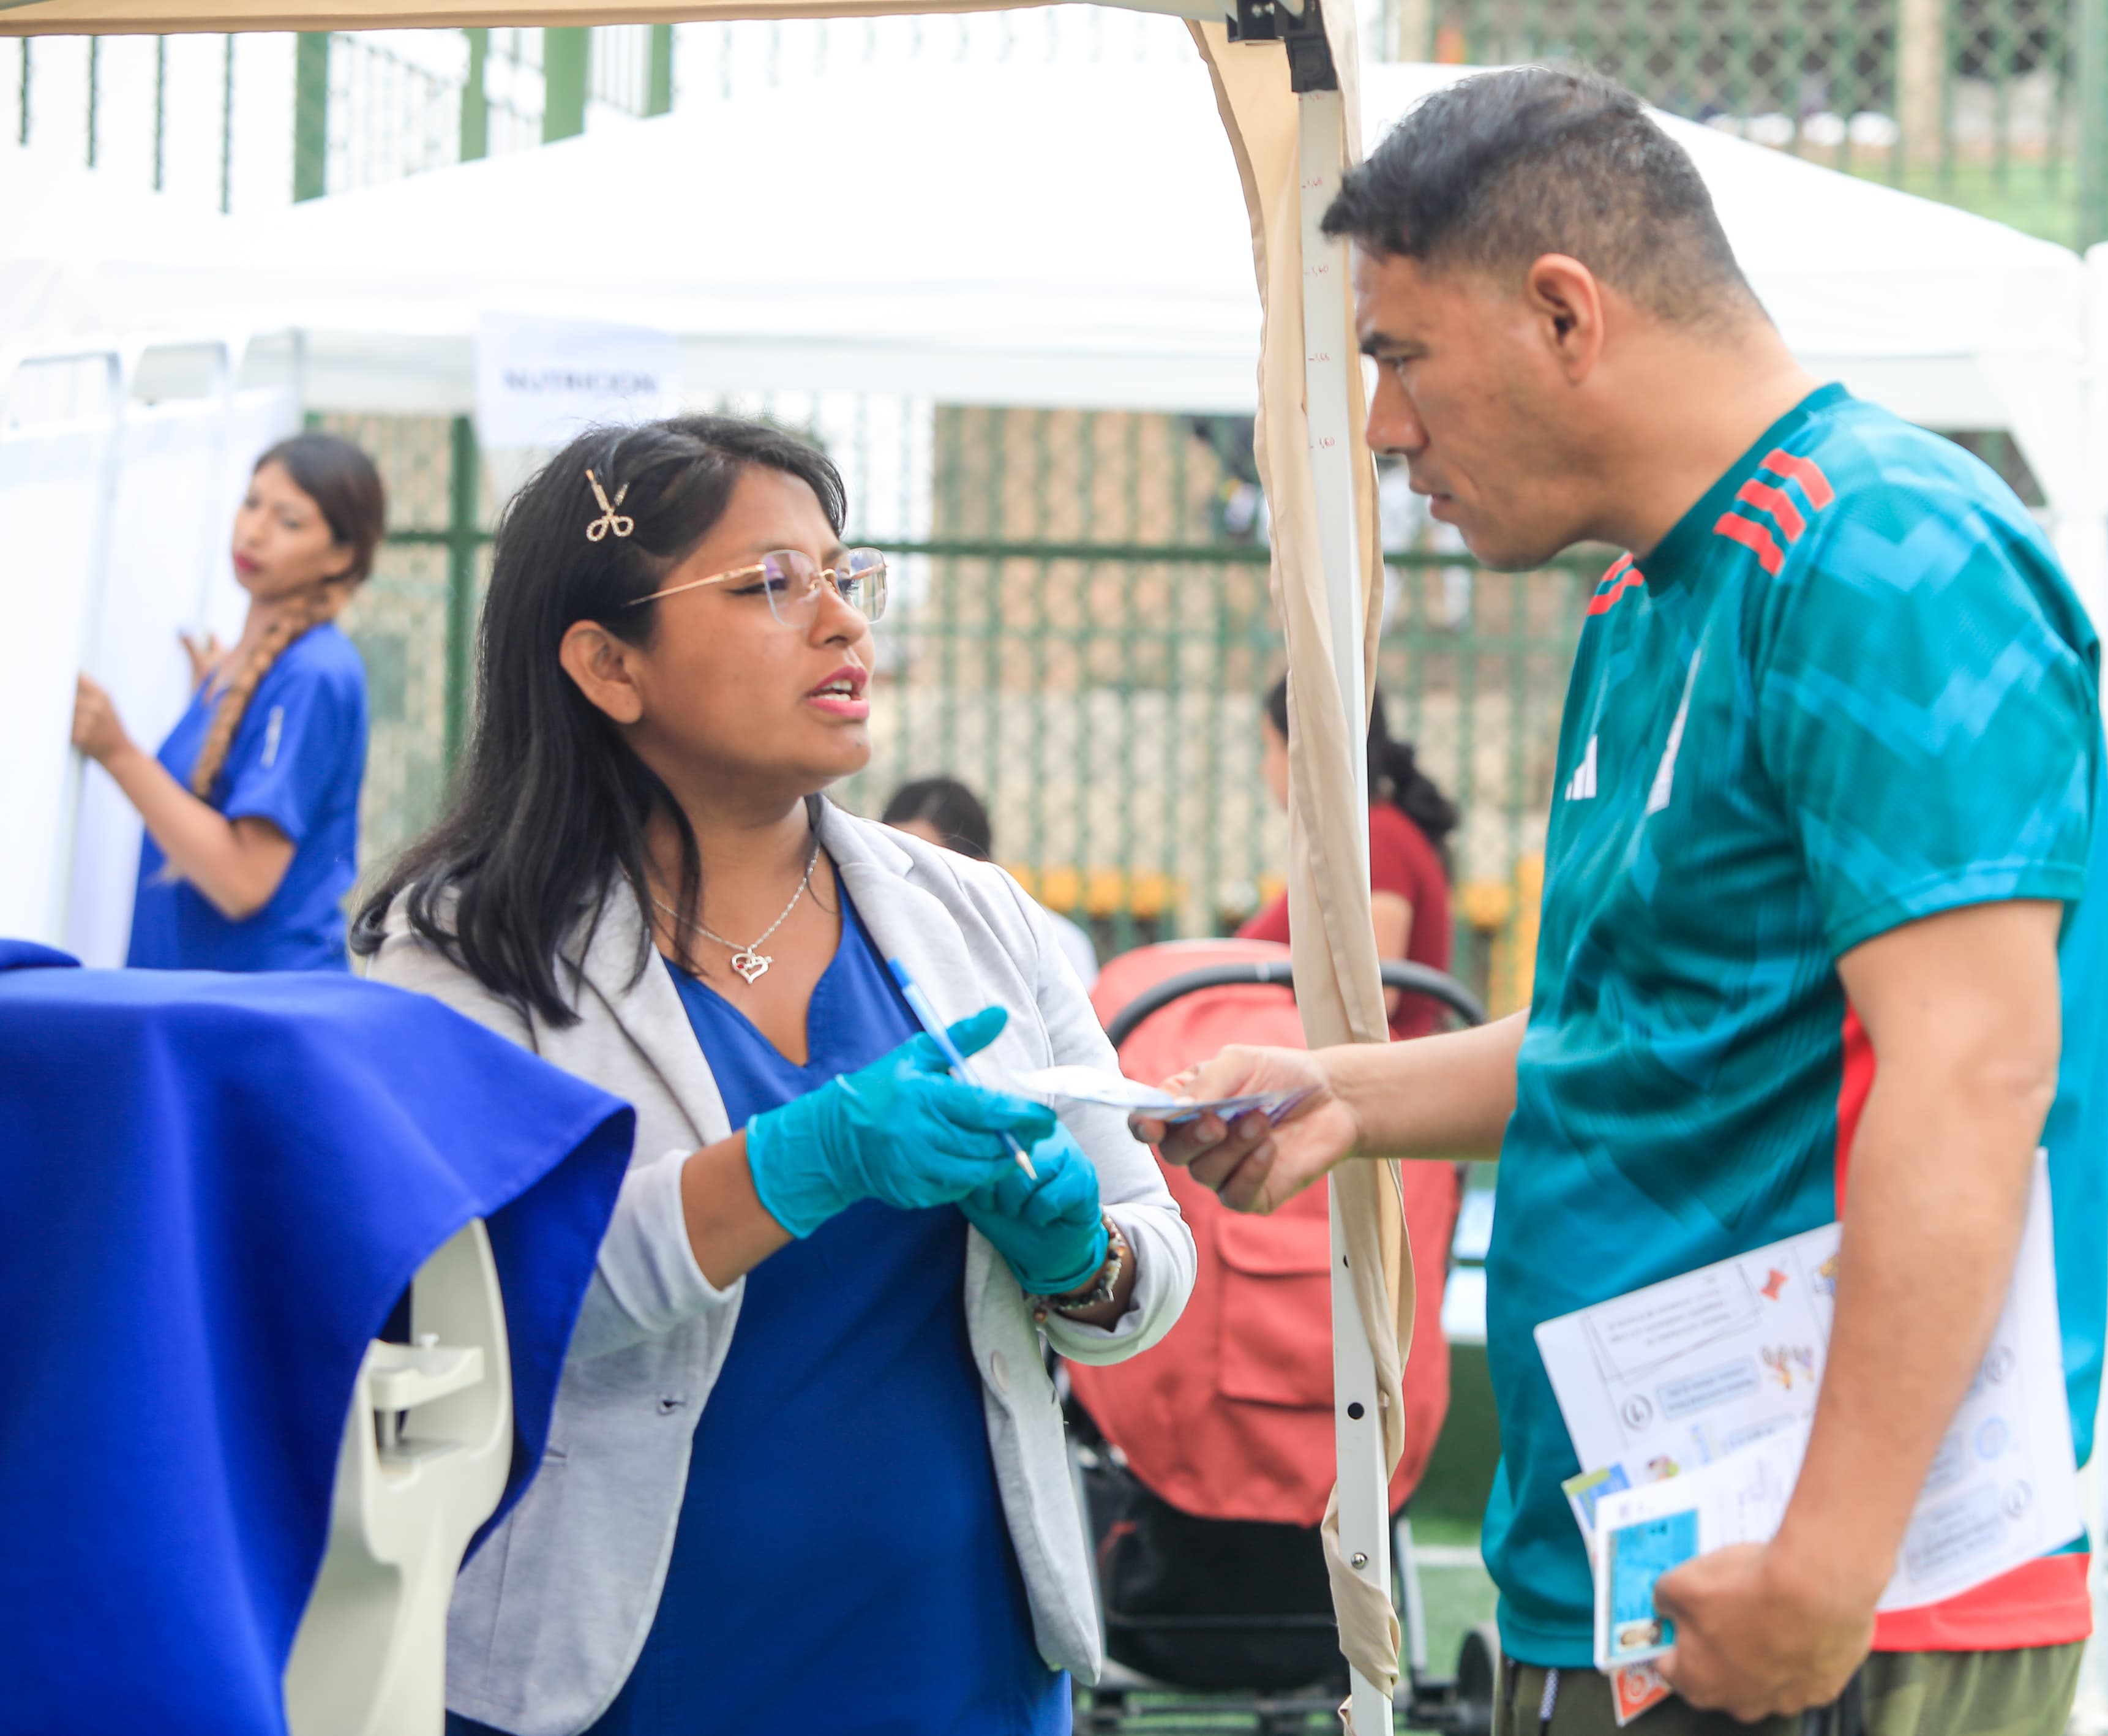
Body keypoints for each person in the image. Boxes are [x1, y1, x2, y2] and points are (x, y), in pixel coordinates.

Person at [1141, 69, 2108, 1736]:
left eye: (1399, 356)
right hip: (1626, 1560)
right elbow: (1648, 1038)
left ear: (1562, 314)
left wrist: (1829, 1560)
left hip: (1830, 1598)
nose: (1380, 427)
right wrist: (1346, 1093)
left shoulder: (1888, 554)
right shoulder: (1651, 597)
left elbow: (1972, 1075)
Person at [350, 416, 1193, 1736]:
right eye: (767, 587)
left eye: (843, 578)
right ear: (607, 663)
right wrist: (801, 1160)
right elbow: (477, 1303)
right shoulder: (463, 947)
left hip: (956, 1659)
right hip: (633, 1673)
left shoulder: (976, 916)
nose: (842, 626)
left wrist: (1084, 1256)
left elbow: (1150, 1255)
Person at [69, 432, 383, 971]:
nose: (254, 531)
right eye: (251, 502)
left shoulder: (314, 673)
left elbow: (243, 881)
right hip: (199, 1007)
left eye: (288, 521)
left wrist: (117, 751)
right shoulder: (247, 669)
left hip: (251, 1020)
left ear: (341, 554)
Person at [1238, 674, 1458, 1039]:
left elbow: (1374, 996)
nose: (1265, 767)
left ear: (1301, 751)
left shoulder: (1377, 839)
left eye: (1271, 746)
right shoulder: (1364, 835)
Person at [883, 774, 1101, 990]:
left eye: (922, 867)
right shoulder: (877, 935)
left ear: (976, 864)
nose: (903, 881)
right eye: (890, 861)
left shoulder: (1053, 943)